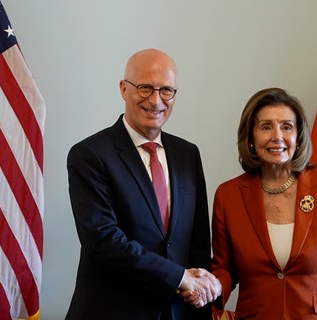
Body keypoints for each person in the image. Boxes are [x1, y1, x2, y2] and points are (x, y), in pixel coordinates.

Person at [65, 48, 220, 320]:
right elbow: (102, 241)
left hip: (177, 312)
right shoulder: (90, 154)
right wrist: (179, 277)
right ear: (124, 89)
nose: (156, 100)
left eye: (166, 90)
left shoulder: (188, 154)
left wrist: (199, 296)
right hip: (113, 312)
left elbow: (196, 242)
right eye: (145, 88)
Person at [211, 88, 317, 319]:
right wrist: (209, 289)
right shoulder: (228, 195)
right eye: (266, 127)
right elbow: (224, 268)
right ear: (251, 138)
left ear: (298, 137)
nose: (277, 136)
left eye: (287, 126)